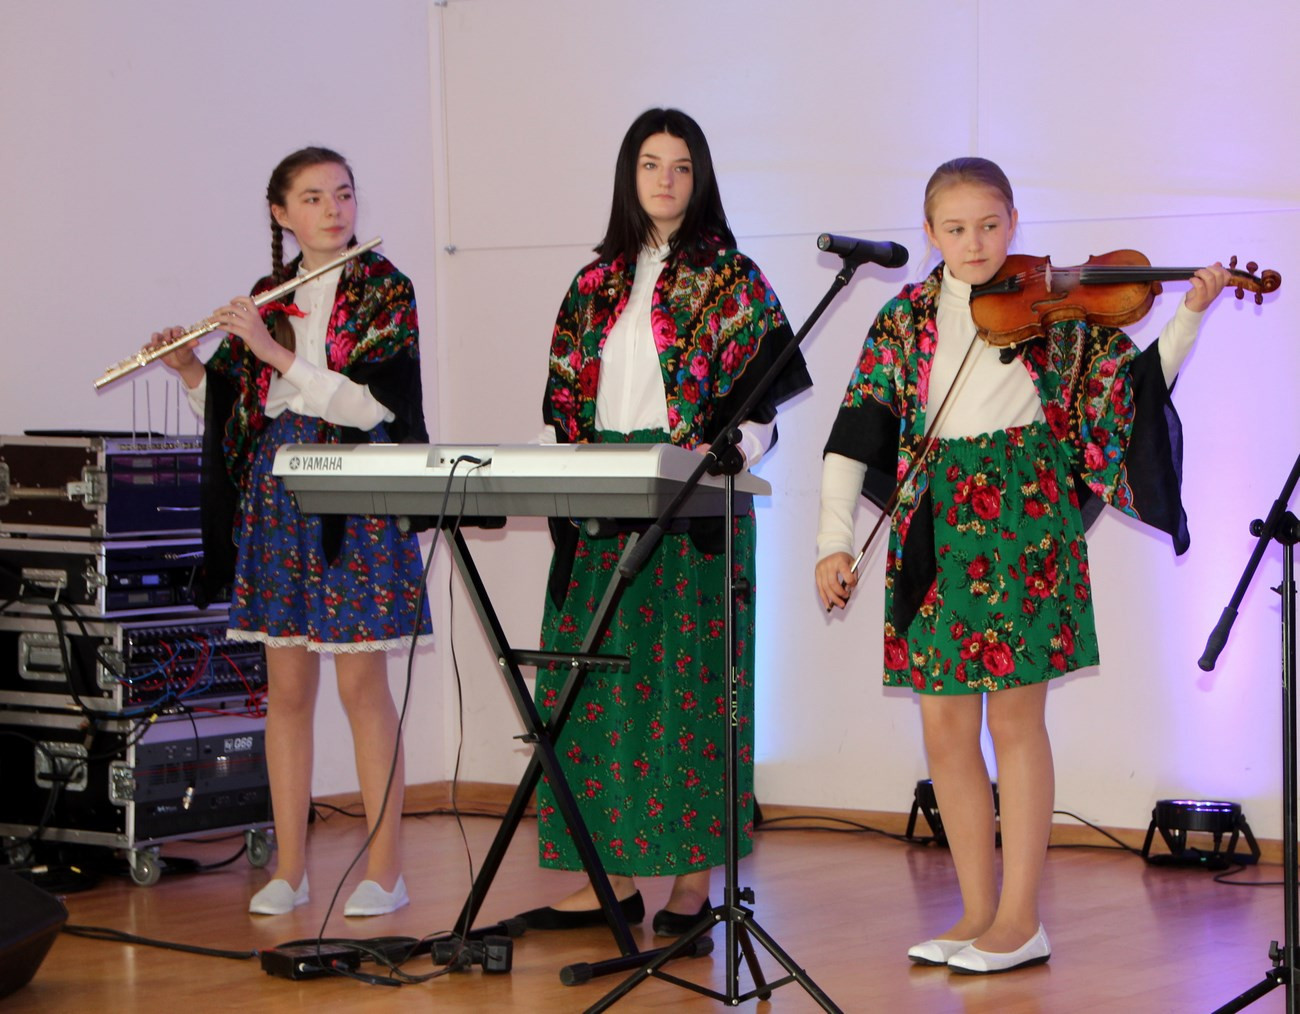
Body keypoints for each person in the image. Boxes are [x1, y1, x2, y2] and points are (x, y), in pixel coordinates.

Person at [814, 157, 1229, 973]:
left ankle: (1021, 918)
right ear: (929, 233)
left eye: (990, 225)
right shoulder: (903, 320)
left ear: (1014, 222)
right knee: (944, 727)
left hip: (1023, 521)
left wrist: (1187, 315)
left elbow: (1131, 396)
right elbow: (855, 431)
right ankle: (976, 912)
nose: (975, 243)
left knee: (1014, 721)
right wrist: (833, 539)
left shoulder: (1053, 313)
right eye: (956, 228)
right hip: (935, 525)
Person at [520, 108, 812, 935]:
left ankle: (691, 885)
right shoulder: (591, 285)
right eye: (651, 164)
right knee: (592, 689)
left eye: (682, 166)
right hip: (600, 499)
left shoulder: (732, 280)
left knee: (691, 691)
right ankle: (605, 880)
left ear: (700, 177)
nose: (666, 180)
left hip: (691, 502)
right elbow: (562, 407)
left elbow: (765, 411)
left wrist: (727, 453)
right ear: (629, 174)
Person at [149, 146, 430, 917]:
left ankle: (386, 872)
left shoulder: (386, 288)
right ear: (281, 213)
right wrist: (192, 370)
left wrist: (274, 354)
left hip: (355, 490)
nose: (333, 210)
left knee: (362, 687)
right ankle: (291, 870)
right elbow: (244, 413)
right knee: (288, 690)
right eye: (313, 198)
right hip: (278, 496)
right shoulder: (267, 295)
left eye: (343, 193)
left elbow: (376, 408)